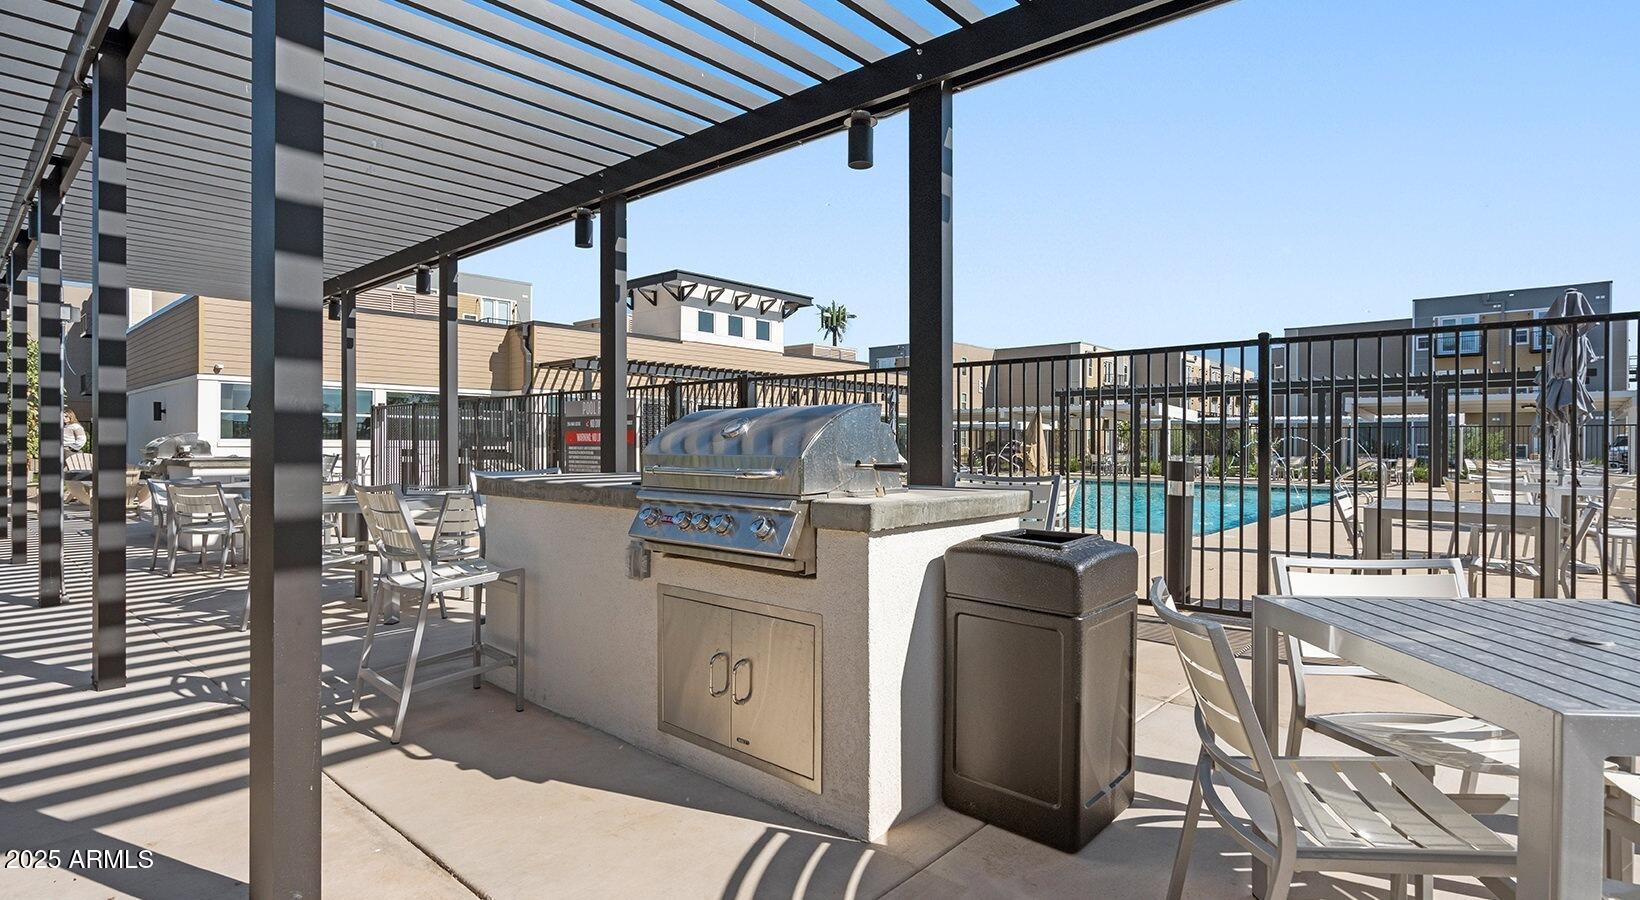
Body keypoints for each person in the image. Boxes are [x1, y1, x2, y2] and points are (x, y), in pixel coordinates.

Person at [62, 410, 90, 481]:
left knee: (74, 471)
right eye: (63, 416)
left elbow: (82, 439)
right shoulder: (65, 427)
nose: (64, 418)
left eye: (66, 416)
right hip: (64, 450)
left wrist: (71, 448)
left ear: (71, 416)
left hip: (70, 451)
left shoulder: (76, 426)